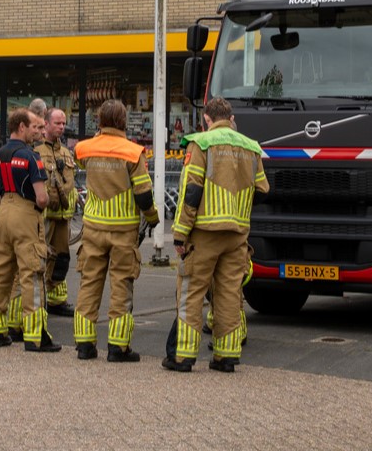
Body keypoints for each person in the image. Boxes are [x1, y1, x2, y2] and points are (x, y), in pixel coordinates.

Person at [166, 96, 267, 373]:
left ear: (207, 119)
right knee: (229, 293)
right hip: (237, 235)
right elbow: (263, 189)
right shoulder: (251, 147)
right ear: (230, 117)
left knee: (191, 291)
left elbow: (192, 191)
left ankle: (182, 357)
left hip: (204, 233)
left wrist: (180, 233)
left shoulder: (201, 143)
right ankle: (226, 357)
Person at [72, 99, 155, 361]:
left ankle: (84, 345)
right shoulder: (133, 152)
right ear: (123, 120)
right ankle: (118, 348)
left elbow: (84, 165)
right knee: (121, 285)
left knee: (89, 283)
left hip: (93, 228)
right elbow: (143, 193)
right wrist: (152, 218)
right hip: (123, 231)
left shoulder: (84, 149)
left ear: (99, 120)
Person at [0, 107, 55, 351]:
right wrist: (32, 205)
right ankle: (35, 337)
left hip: (3, 214)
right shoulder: (32, 157)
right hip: (25, 215)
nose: (37, 132)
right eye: (33, 127)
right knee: (31, 273)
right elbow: (42, 198)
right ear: (21, 127)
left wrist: (9, 203)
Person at [35, 106, 76, 316]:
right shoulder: (36, 152)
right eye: (57, 123)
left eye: (63, 123)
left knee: (62, 258)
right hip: (45, 216)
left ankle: (57, 301)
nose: (61, 127)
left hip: (63, 215)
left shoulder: (66, 153)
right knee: (42, 258)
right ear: (46, 124)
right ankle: (41, 298)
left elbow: (70, 183)